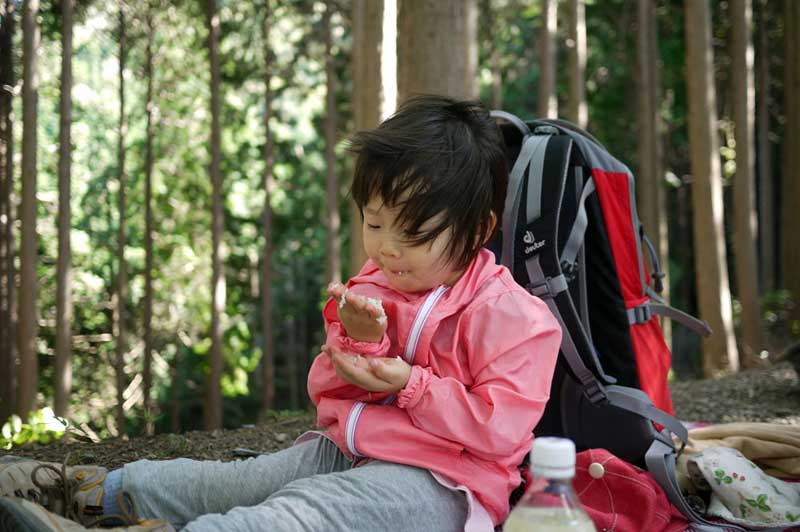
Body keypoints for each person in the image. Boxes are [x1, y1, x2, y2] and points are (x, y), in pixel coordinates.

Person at [0, 95, 562, 532]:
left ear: (480, 229)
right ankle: (80, 490)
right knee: (231, 482)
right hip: (347, 448)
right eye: (373, 223)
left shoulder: (516, 319)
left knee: (301, 514)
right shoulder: (377, 283)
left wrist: (413, 386)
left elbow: (500, 427)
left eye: (412, 233)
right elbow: (329, 395)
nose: (387, 249)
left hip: (443, 485)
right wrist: (360, 349)